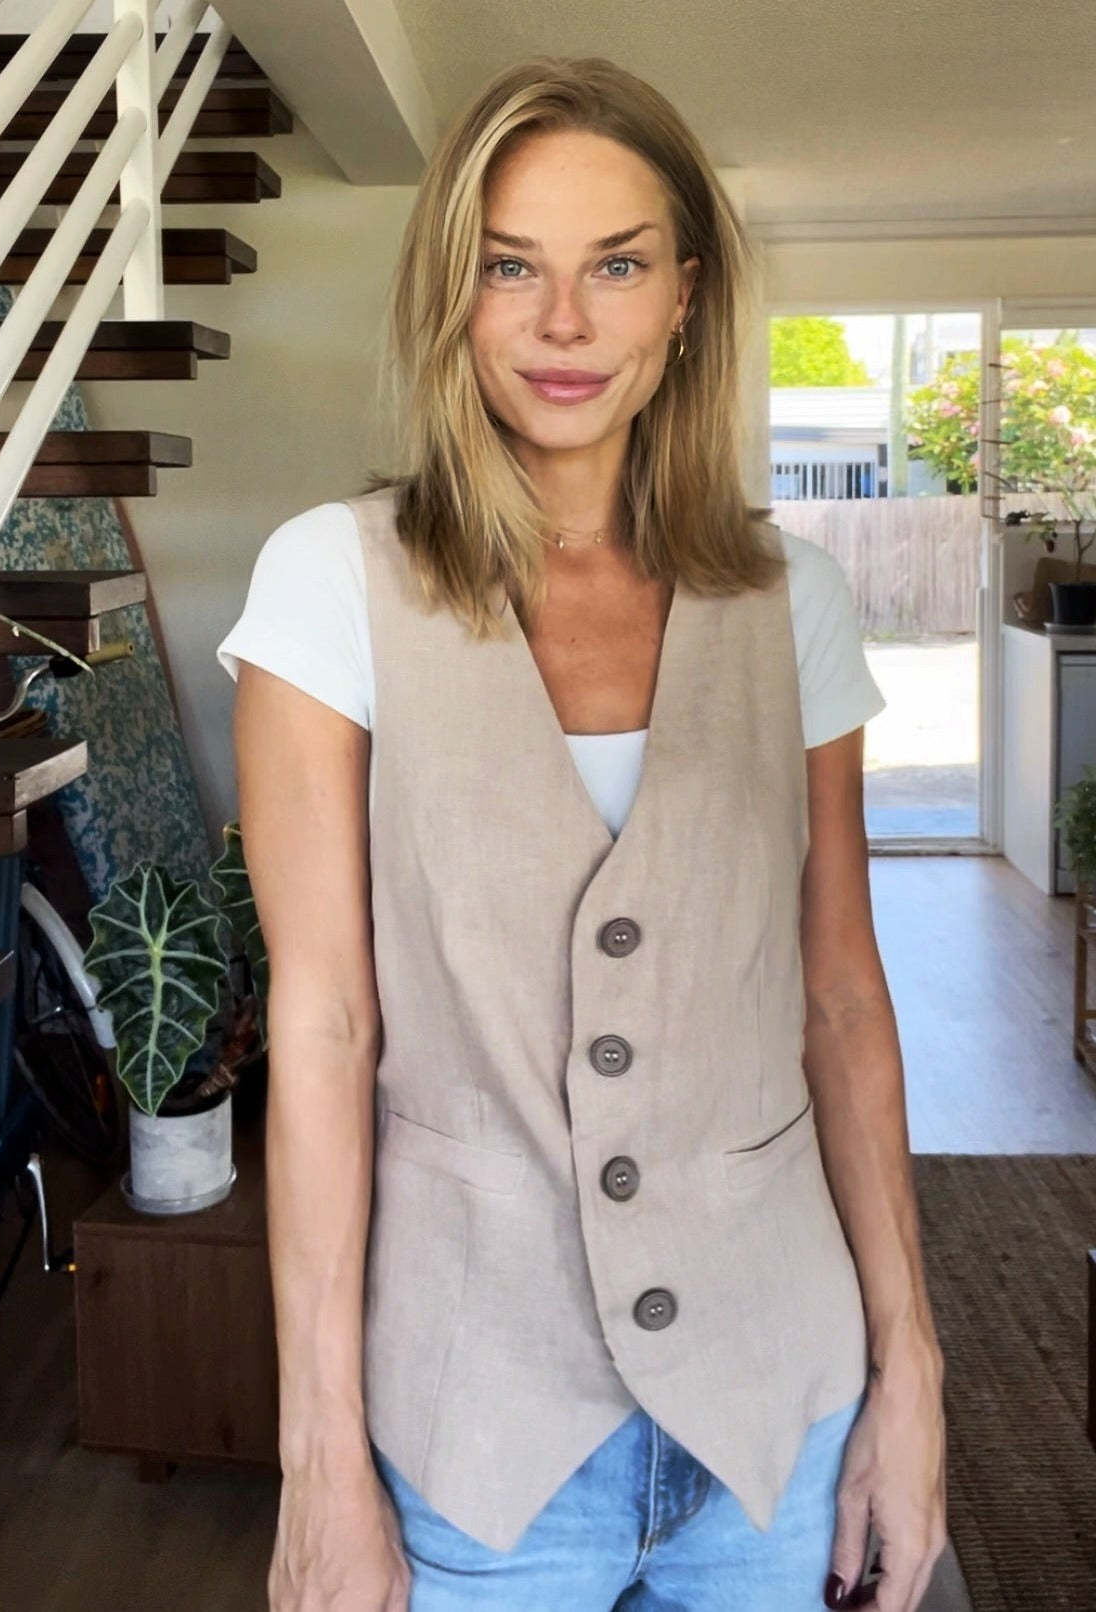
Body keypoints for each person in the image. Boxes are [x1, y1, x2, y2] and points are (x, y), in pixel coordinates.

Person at [216, 55, 946, 1612]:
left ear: (685, 295)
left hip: (777, 1408)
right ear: (453, 293)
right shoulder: (332, 582)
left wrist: (915, 1374)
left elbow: (840, 999)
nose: (564, 322)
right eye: (511, 267)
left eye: (616, 265)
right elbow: (326, 1028)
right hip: (477, 1432)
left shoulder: (792, 602)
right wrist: (320, 1457)